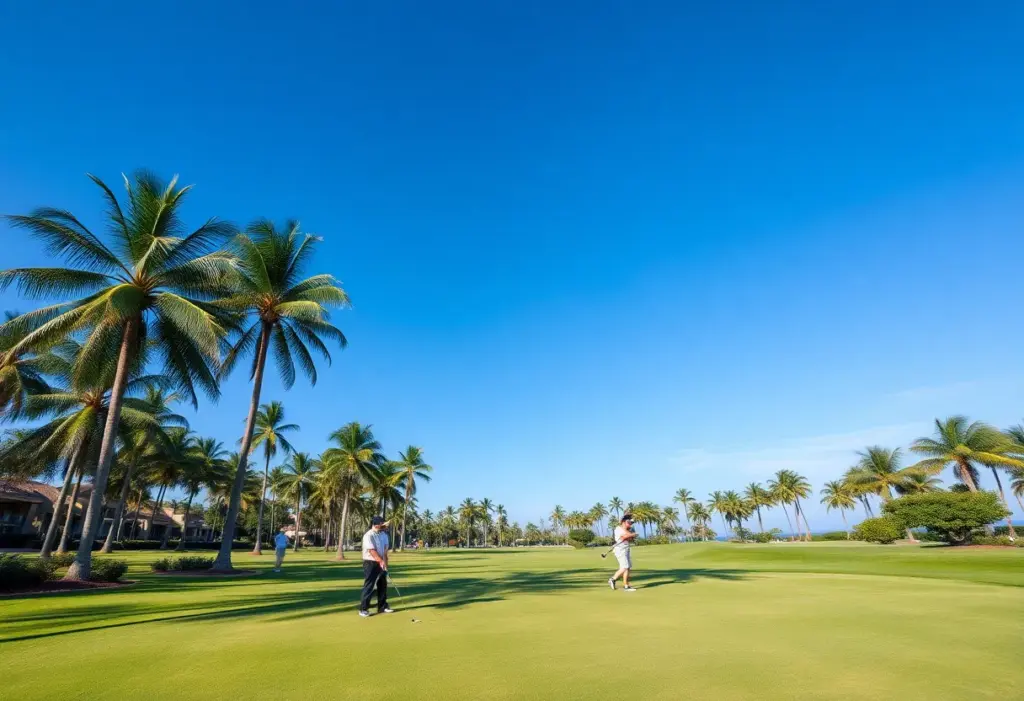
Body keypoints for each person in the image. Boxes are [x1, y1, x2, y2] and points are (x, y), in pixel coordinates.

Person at [359, 515, 394, 617]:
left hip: (381, 562)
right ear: (376, 525)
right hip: (370, 563)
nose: (384, 526)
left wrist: (386, 565)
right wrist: (380, 561)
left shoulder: (384, 535)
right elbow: (372, 551)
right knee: (369, 585)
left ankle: (382, 606)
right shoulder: (368, 535)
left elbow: (385, 552)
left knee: (383, 585)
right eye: (382, 524)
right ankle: (363, 609)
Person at [608, 513, 638, 592]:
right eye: (629, 523)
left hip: (626, 549)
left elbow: (629, 539)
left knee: (627, 567)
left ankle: (626, 585)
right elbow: (624, 537)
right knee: (624, 567)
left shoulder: (627, 530)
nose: (630, 525)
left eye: (631, 523)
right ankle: (612, 579)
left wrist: (631, 535)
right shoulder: (618, 529)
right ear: (624, 522)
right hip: (619, 550)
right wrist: (632, 534)